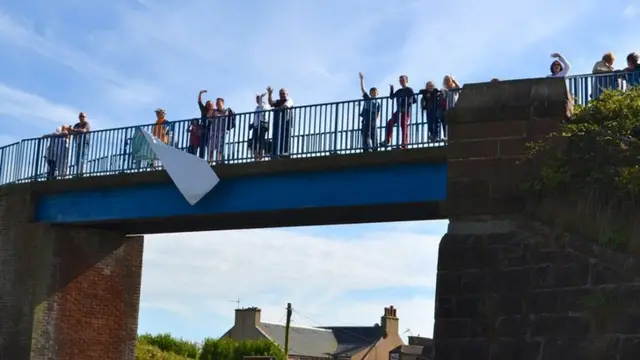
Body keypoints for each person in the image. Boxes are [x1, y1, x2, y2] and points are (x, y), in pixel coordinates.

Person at [379, 75, 415, 149]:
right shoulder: (399, 91)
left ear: (406, 81)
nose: (401, 82)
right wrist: (392, 89)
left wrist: (407, 102)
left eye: (403, 80)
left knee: (404, 126)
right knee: (389, 123)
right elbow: (392, 97)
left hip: (405, 111)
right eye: (400, 80)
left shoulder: (409, 90)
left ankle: (404, 145)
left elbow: (414, 100)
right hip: (398, 111)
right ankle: (387, 140)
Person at [266, 86, 294, 158]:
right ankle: (275, 154)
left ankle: (285, 154)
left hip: (286, 123)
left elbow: (285, 106)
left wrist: (277, 109)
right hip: (277, 124)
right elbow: (271, 103)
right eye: (280, 94)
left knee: (285, 138)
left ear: (287, 94)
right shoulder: (279, 101)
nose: (282, 95)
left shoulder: (289, 100)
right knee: (276, 138)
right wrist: (270, 94)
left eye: (283, 93)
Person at [358, 72, 380, 152]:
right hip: (366, 120)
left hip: (373, 120)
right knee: (365, 134)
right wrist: (362, 79)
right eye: (372, 92)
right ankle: (366, 149)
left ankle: (375, 149)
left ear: (377, 93)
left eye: (375, 92)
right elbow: (363, 89)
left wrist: (376, 120)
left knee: (374, 136)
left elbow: (378, 112)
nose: (373, 93)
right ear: (370, 93)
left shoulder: (378, 103)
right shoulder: (367, 98)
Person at [440, 75, 461, 140]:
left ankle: (456, 136)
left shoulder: (454, 88)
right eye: (446, 80)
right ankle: (447, 137)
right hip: (447, 108)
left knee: (454, 123)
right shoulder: (445, 90)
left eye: (448, 80)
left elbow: (459, 88)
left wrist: (454, 81)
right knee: (447, 124)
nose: (447, 81)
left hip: (454, 107)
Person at [250, 93, 269, 160]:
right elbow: (256, 116)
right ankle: (256, 158)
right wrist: (252, 124)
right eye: (257, 99)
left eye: (259, 99)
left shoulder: (265, 105)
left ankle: (261, 158)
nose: (258, 100)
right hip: (256, 126)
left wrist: (261, 97)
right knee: (254, 142)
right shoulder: (256, 107)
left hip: (262, 125)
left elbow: (262, 110)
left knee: (261, 142)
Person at [197, 90, 215, 160]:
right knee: (202, 145)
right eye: (208, 104)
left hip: (211, 129)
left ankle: (210, 160)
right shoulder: (204, 110)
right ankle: (201, 159)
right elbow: (199, 102)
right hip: (204, 128)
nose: (209, 105)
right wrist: (200, 93)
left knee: (210, 145)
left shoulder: (214, 111)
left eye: (210, 104)